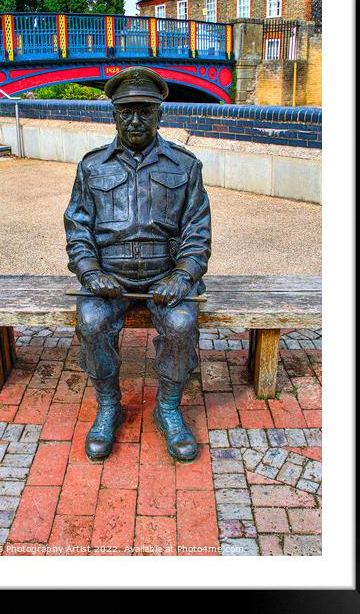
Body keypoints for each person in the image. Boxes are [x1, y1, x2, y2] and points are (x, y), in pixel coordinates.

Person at [64, 66, 211, 462]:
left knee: (182, 324)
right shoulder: (92, 166)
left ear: (160, 114)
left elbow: (197, 231)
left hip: (167, 276)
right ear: (113, 114)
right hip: (109, 278)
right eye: (126, 111)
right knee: (92, 322)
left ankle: (168, 408)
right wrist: (90, 272)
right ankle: (109, 406)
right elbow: (77, 227)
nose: (134, 119)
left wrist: (183, 275)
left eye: (145, 111)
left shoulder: (185, 165)